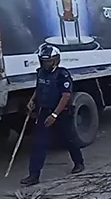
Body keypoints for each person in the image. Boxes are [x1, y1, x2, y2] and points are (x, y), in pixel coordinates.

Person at [21, 45, 84, 186]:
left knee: (69, 139)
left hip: (61, 113)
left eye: (49, 61)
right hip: (44, 111)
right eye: (44, 61)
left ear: (56, 60)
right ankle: (34, 175)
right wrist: (32, 100)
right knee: (39, 143)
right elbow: (39, 88)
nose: (46, 64)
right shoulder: (41, 73)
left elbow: (65, 96)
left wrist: (55, 115)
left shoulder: (62, 75)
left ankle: (79, 163)